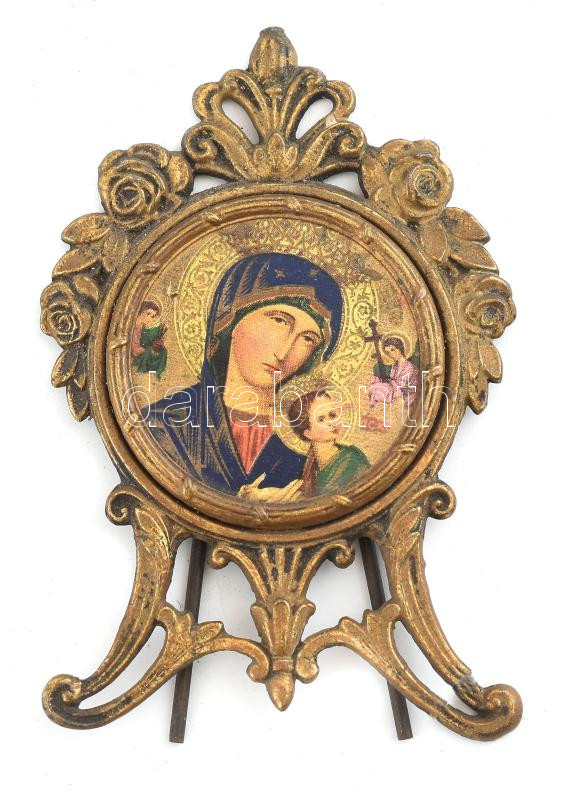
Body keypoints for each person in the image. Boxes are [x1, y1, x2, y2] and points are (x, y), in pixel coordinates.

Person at [148, 253, 343, 500]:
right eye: (279, 321)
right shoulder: (163, 424)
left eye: (307, 339)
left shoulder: (314, 440)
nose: (284, 353)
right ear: (231, 320)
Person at [287, 390, 369, 497]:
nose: (331, 423)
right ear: (308, 433)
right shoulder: (311, 466)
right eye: (321, 419)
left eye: (332, 415)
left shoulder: (352, 458)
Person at [368, 335, 419, 410]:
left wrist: (387, 384)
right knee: (375, 384)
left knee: (378, 389)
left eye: (393, 350)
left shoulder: (409, 367)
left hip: (407, 397)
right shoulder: (395, 366)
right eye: (388, 352)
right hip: (396, 392)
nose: (391, 354)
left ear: (400, 349)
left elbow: (401, 386)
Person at [131, 300, 168, 380]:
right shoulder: (135, 327)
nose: (150, 319)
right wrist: (151, 349)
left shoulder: (142, 327)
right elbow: (135, 351)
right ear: (140, 312)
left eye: (153, 316)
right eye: (148, 314)